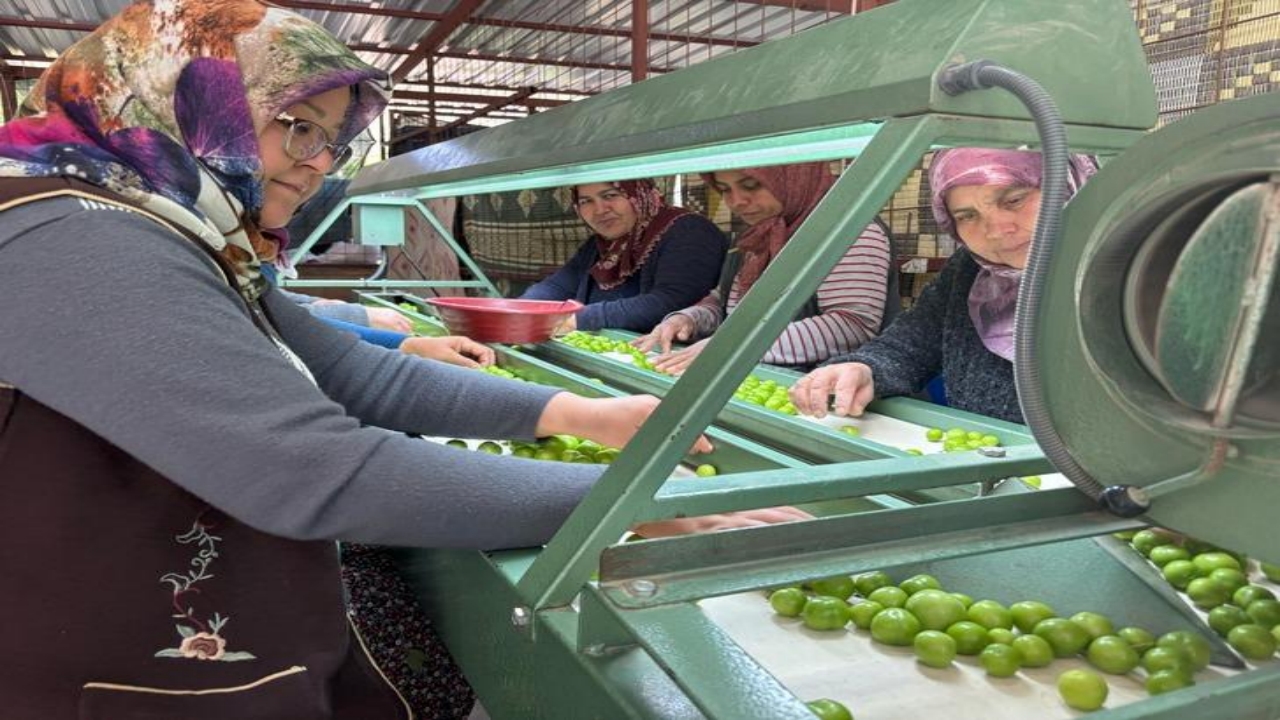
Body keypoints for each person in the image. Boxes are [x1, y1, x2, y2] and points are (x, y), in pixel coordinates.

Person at [0, 2, 800, 717]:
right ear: (190, 98)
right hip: (110, 663)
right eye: (295, 124)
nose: (317, 162)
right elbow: (316, 471)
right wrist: (635, 504)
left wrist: (577, 414)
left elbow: (354, 374)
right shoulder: (75, 238)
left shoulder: (185, 234)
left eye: (332, 139)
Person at [788, 148, 1098, 424]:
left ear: (1067, 184)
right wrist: (862, 369)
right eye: (967, 216)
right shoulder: (969, 269)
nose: (996, 230)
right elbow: (912, 343)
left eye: (1014, 200)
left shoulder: (1127, 270)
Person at [633, 163, 896, 374]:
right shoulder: (757, 237)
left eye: (752, 185)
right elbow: (725, 303)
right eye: (724, 189)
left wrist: (734, 347)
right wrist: (688, 318)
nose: (736, 201)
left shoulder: (851, 232)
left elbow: (851, 326)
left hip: (837, 398)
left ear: (793, 178)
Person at [520, 179, 728, 332]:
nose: (600, 210)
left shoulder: (689, 230)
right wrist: (520, 311)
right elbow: (558, 286)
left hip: (661, 355)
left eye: (610, 196)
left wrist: (580, 319)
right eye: (586, 201)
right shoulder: (601, 245)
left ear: (639, 195)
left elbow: (671, 301)